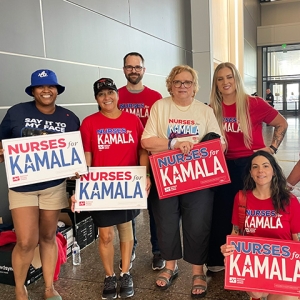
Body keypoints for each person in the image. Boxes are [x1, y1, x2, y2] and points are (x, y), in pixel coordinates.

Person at [141, 65, 225, 298]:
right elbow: (146, 141)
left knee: (198, 223)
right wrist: (174, 144)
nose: (182, 86)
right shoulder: (160, 107)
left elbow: (221, 143)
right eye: (177, 82)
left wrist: (200, 148)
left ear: (194, 87)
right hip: (166, 176)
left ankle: (198, 270)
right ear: (170, 84)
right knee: (165, 222)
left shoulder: (204, 111)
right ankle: (171, 266)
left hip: (198, 176)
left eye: (187, 82)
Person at [0, 69, 80, 300]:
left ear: (57, 90)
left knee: (48, 236)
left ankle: (48, 288)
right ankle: (19, 288)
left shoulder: (69, 118)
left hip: (53, 187)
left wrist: (76, 169)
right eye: (41, 87)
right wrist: (3, 152)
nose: (46, 90)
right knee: (25, 241)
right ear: (33, 90)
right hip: (22, 187)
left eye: (51, 86)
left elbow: (74, 154)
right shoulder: (17, 112)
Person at [71, 78, 151, 299]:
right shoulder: (89, 123)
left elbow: (142, 151)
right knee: (105, 235)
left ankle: (126, 272)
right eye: (101, 94)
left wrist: (144, 175)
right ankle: (109, 276)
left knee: (126, 231)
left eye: (110, 92)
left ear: (117, 95)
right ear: (96, 99)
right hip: (101, 187)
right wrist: (81, 185)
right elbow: (87, 156)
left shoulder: (133, 120)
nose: (107, 97)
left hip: (126, 185)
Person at [207, 62, 288, 273]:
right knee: (222, 211)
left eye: (229, 77)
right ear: (215, 84)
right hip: (222, 165)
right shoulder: (211, 109)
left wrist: (271, 148)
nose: (225, 82)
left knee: (253, 212)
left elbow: (282, 123)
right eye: (220, 79)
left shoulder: (254, 103)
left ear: (236, 79)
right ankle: (218, 258)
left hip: (250, 165)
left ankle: (254, 258)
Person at [221, 151, 300, 300]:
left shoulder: (289, 201)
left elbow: (297, 239)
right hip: (255, 267)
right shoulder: (241, 198)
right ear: (250, 172)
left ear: (274, 171)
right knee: (256, 291)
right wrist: (228, 248)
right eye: (255, 167)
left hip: (282, 268)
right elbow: (236, 234)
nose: (260, 171)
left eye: (265, 166)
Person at [118, 52, 165, 271]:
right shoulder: (114, 96)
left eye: (137, 67)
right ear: (124, 69)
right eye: (129, 67)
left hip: (153, 160)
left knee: (156, 209)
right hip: (126, 162)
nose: (133, 70)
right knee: (129, 210)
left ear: (143, 70)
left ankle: (158, 250)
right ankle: (132, 247)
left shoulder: (155, 97)